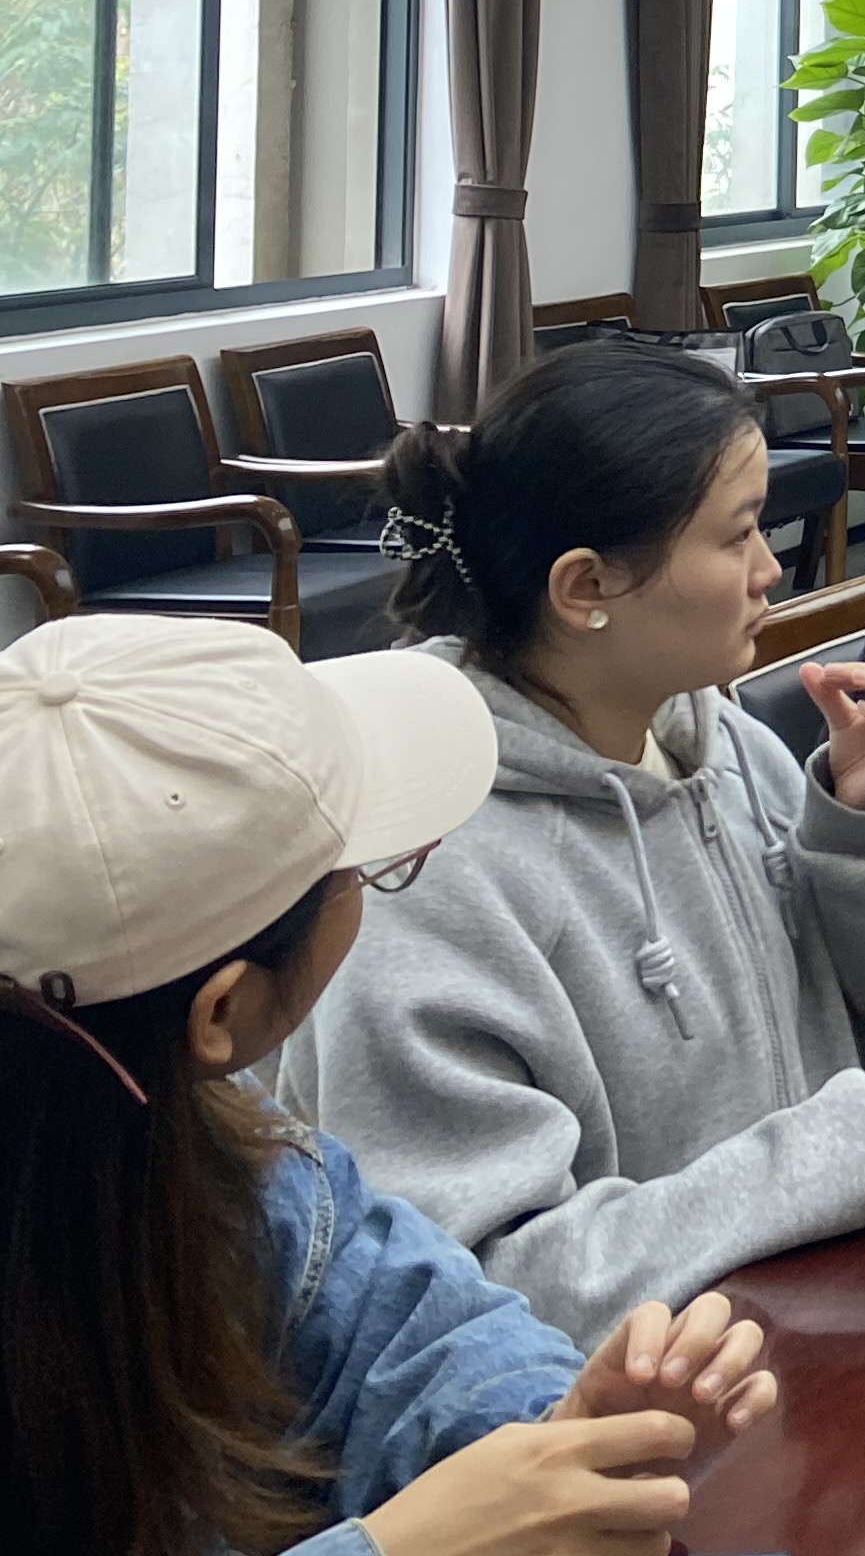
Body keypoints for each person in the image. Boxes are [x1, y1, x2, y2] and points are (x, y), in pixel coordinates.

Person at [276, 344, 865, 1350]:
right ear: (585, 587)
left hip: (816, 1332)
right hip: (618, 1427)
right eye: (738, 536)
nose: (774, 569)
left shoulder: (722, 741)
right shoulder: (422, 871)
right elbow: (490, 1286)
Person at [0, 613, 784, 1556]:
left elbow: (407, 1321)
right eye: (368, 869)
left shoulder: (250, 1169)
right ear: (222, 1014)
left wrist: (555, 1431)